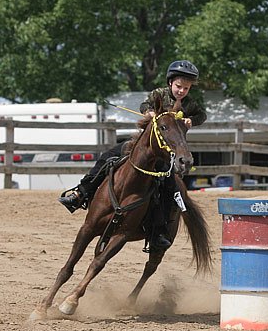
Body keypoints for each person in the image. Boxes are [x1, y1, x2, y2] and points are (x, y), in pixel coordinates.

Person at [58, 59, 207, 249]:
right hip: (143, 145)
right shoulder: (159, 94)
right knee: (107, 158)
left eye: (186, 88)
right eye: (179, 86)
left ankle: (158, 232)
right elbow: (145, 105)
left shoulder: (189, 104)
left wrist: (190, 121)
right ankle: (81, 193)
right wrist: (150, 113)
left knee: (169, 187)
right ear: (170, 82)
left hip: (165, 154)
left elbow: (202, 116)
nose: (181, 91)